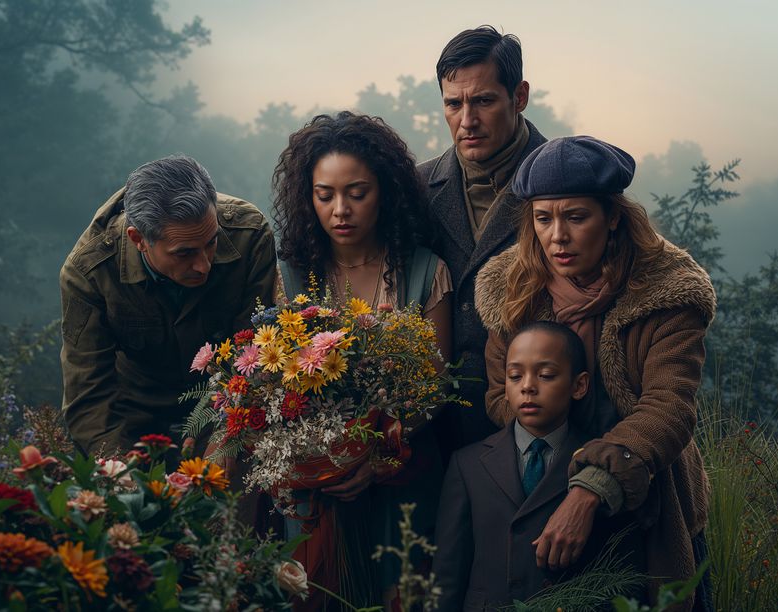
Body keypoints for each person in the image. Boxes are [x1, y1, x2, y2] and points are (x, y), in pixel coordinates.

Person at [475, 136, 716, 610]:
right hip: (543, 492)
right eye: (543, 219)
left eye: (576, 217)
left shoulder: (666, 291)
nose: (557, 237)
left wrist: (591, 487)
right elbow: (501, 395)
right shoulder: (513, 289)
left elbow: (668, 408)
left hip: (646, 497)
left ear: (613, 217)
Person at [272, 111, 453, 610]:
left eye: (357, 193)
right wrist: (324, 456)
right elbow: (275, 376)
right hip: (315, 486)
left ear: (386, 192)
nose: (340, 210)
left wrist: (372, 456)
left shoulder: (424, 270)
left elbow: (435, 387)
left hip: (401, 475)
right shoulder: (291, 274)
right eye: (324, 195)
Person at [60, 155, 277, 458]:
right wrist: (116, 466)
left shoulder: (249, 235)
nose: (203, 265)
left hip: (223, 404)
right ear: (138, 239)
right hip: (134, 412)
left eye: (211, 243)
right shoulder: (89, 271)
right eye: (184, 253)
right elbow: (88, 392)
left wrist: (224, 445)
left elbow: (253, 355)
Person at [433, 321, 641, 609]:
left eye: (545, 375)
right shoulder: (467, 464)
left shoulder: (601, 464)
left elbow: (621, 572)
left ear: (579, 385)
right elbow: (446, 577)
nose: (528, 386)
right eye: (515, 376)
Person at [417, 25, 549, 454]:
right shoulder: (417, 188)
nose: (467, 120)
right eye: (453, 104)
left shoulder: (562, 186)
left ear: (520, 96)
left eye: (484, 101)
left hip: (534, 426)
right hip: (431, 431)